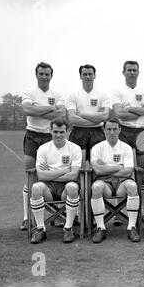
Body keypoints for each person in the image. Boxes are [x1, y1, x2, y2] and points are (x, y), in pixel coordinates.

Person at [21, 62, 66, 231]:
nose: (44, 77)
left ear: (51, 76)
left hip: (51, 137)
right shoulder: (29, 92)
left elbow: (61, 113)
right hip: (32, 135)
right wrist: (50, 109)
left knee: (51, 176)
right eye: (41, 74)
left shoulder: (57, 94)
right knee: (31, 176)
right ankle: (27, 218)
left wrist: (37, 108)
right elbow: (27, 109)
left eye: (47, 74)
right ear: (36, 75)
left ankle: (57, 216)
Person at [112, 61, 144, 224]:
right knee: (119, 170)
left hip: (141, 132)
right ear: (123, 72)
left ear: (138, 72)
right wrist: (139, 111)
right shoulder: (118, 92)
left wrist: (129, 109)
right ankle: (117, 212)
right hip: (123, 131)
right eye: (129, 70)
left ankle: (143, 211)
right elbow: (118, 114)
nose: (131, 72)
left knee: (142, 173)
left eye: (134, 70)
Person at [29, 118, 82, 244]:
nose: (59, 135)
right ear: (50, 131)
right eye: (56, 131)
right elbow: (41, 175)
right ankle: (40, 229)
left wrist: (50, 174)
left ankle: (68, 228)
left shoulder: (75, 148)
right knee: (36, 188)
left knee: (73, 187)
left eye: (62, 132)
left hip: (65, 187)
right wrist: (64, 171)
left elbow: (74, 175)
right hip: (48, 188)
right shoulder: (43, 149)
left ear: (67, 131)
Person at [89, 118, 141, 243]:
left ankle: (132, 227)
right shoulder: (96, 148)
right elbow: (98, 171)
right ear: (104, 130)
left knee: (133, 186)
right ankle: (100, 227)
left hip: (122, 182)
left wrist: (105, 167)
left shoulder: (126, 148)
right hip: (104, 183)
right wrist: (118, 167)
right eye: (109, 129)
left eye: (114, 129)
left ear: (120, 130)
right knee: (96, 187)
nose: (112, 132)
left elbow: (128, 171)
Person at [66, 64, 110, 161]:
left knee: (97, 167)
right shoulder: (73, 95)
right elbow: (72, 118)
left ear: (95, 75)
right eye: (85, 74)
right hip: (78, 132)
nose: (87, 76)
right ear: (80, 76)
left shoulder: (103, 95)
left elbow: (104, 116)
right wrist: (97, 120)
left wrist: (81, 114)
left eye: (90, 74)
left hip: (97, 133)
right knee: (76, 166)